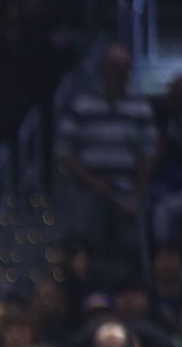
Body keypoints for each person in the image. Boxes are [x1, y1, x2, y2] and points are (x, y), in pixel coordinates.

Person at [55, 44, 157, 270]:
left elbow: (148, 153)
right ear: (103, 69)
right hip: (88, 189)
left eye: (124, 68)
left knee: (130, 251)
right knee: (84, 247)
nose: (120, 73)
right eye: (114, 67)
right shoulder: (82, 104)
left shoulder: (140, 107)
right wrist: (93, 183)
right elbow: (65, 151)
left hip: (127, 190)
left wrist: (136, 196)